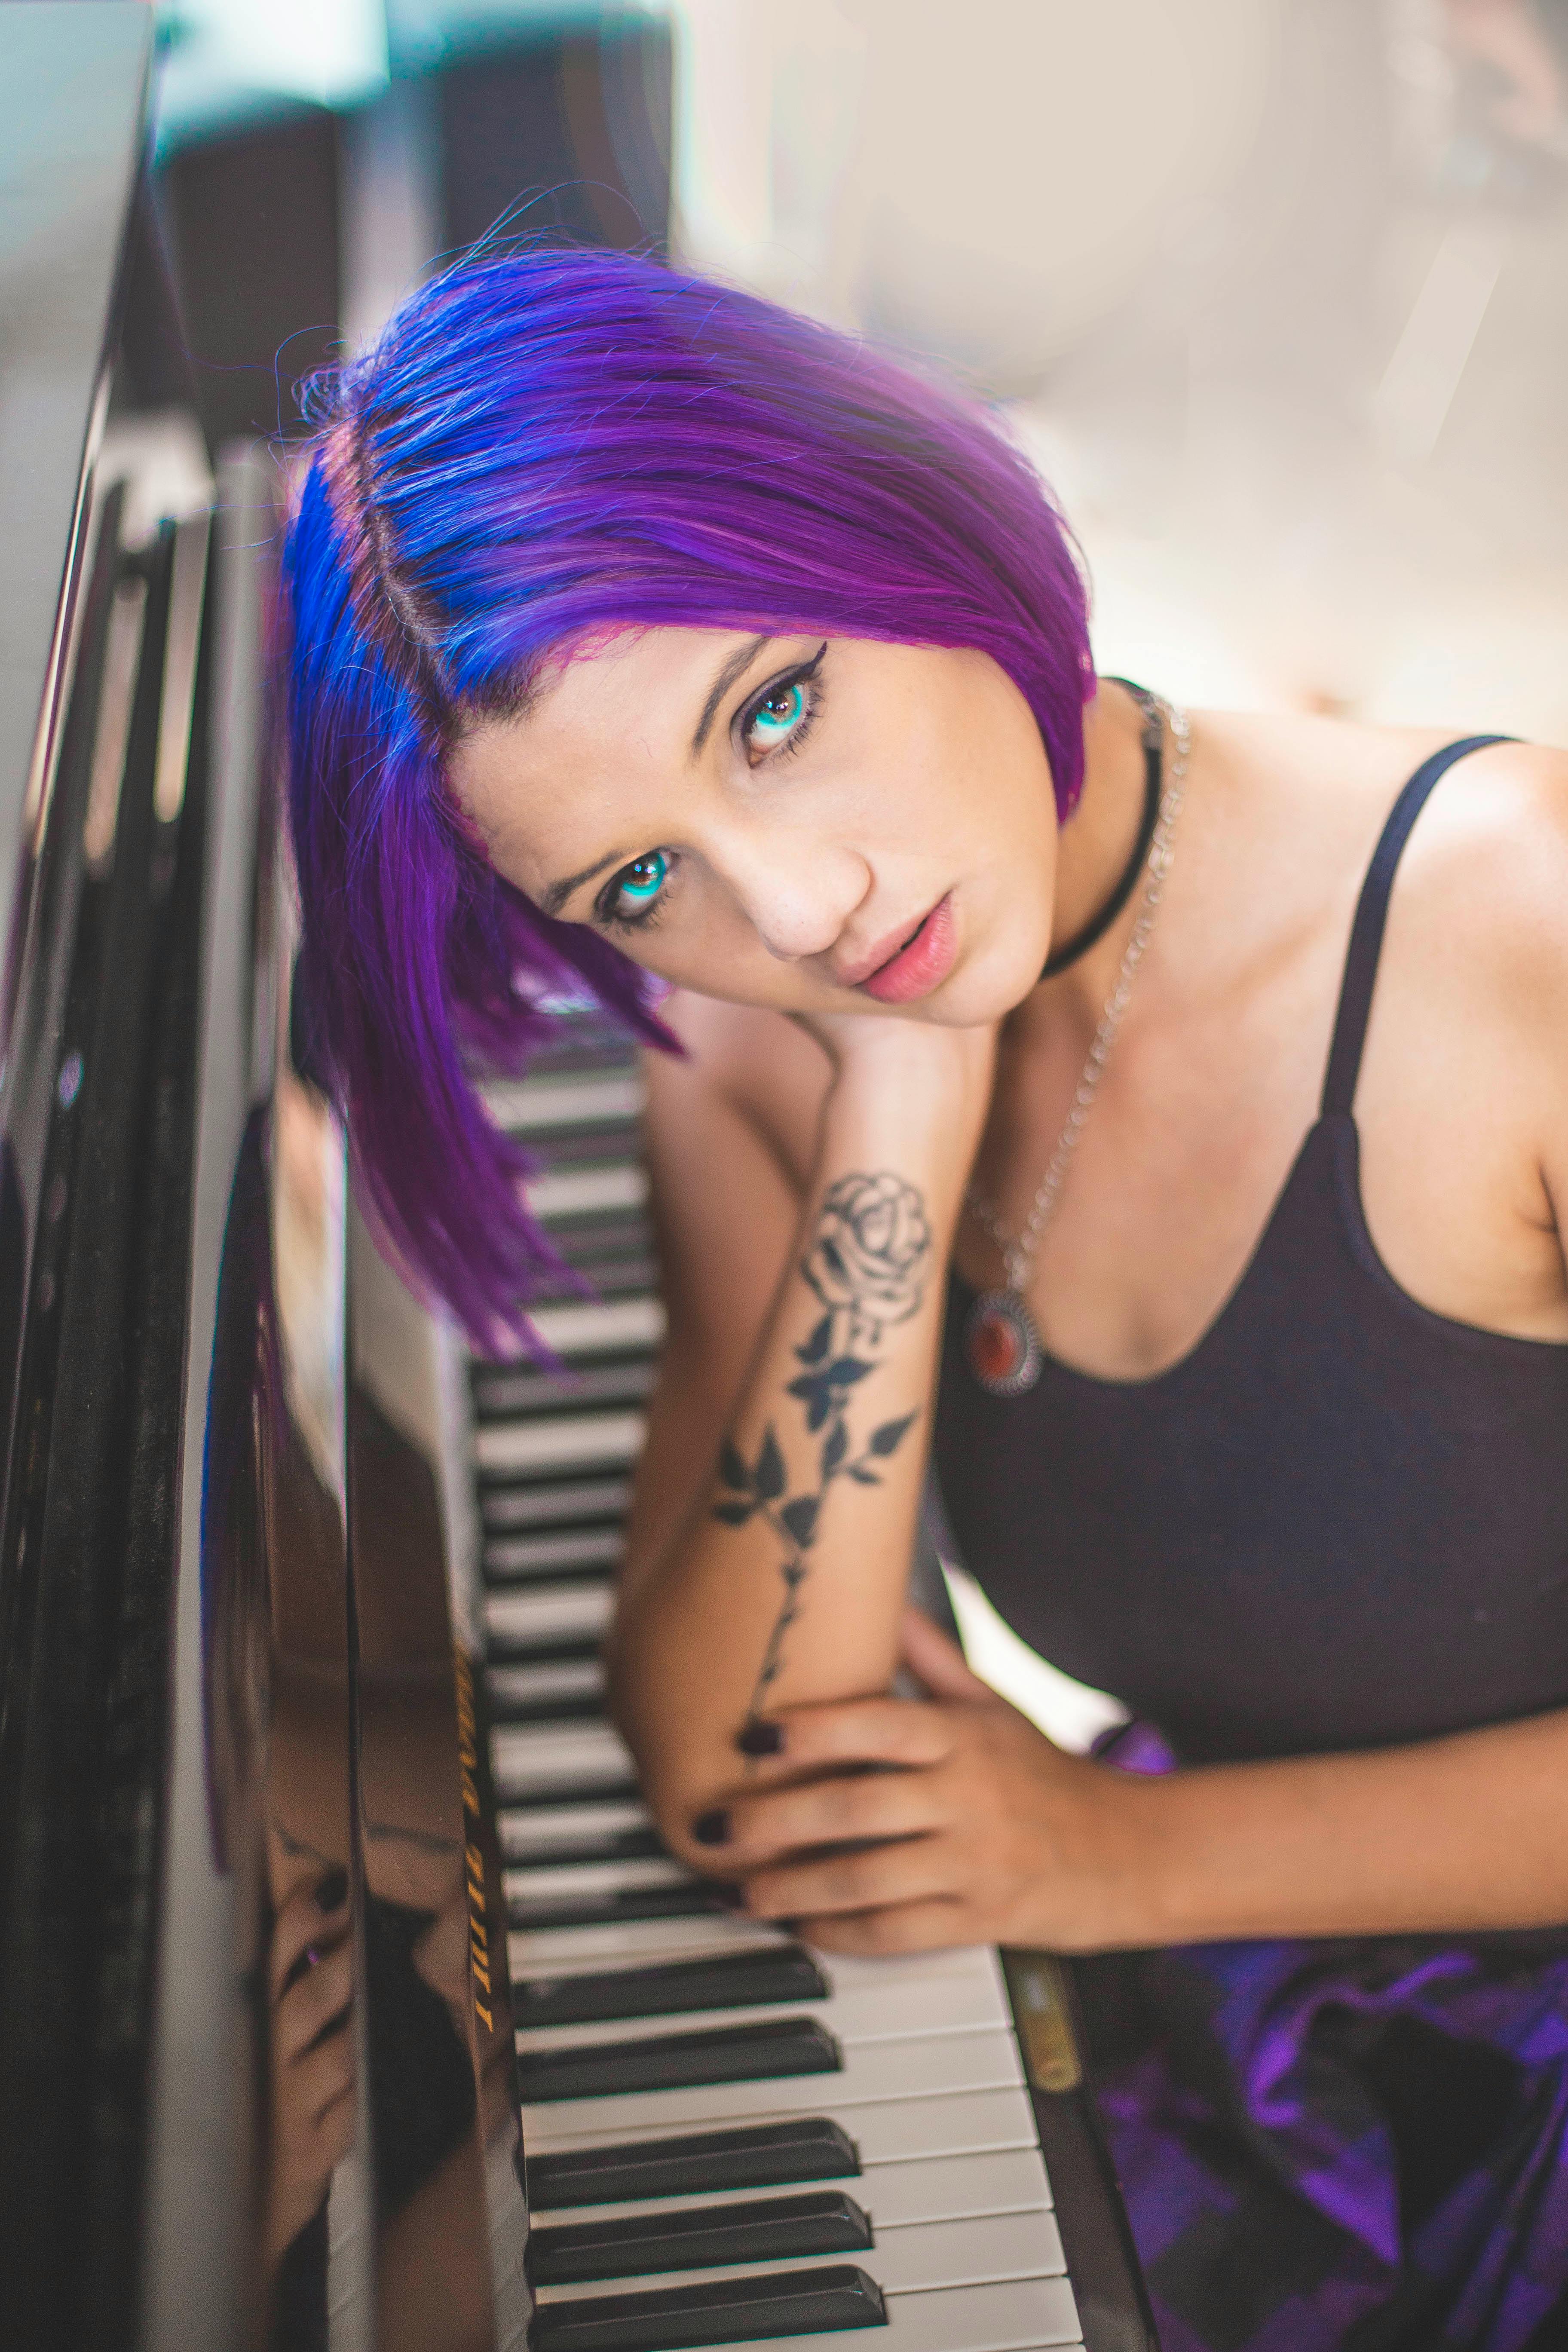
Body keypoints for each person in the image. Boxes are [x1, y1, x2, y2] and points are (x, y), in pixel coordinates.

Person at [280, 245, 1568, 2351]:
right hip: (1304, 2009)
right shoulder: (776, 1038)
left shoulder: (1520, 915)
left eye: (775, 712)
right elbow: (740, 1771)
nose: (788, 905)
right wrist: (904, 1073)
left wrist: (1107, 1867)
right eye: (638, 882)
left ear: (892, 507)